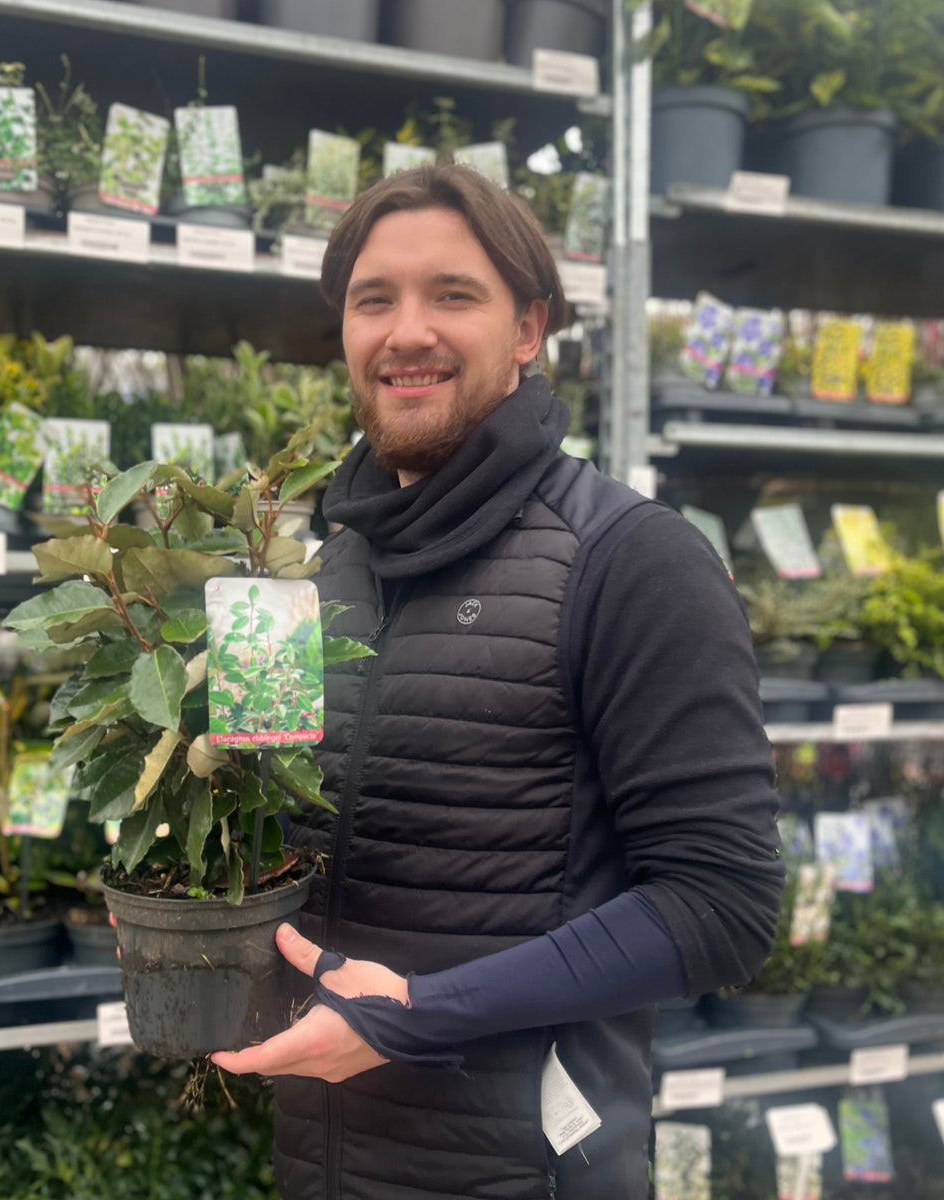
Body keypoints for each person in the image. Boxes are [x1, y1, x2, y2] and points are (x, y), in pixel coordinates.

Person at [209, 164, 784, 1200]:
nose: (407, 331)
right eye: (373, 299)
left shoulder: (634, 559)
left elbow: (723, 902)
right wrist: (183, 898)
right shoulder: (299, 571)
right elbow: (267, 824)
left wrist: (418, 1013)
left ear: (529, 329)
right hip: (324, 1164)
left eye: (453, 295)